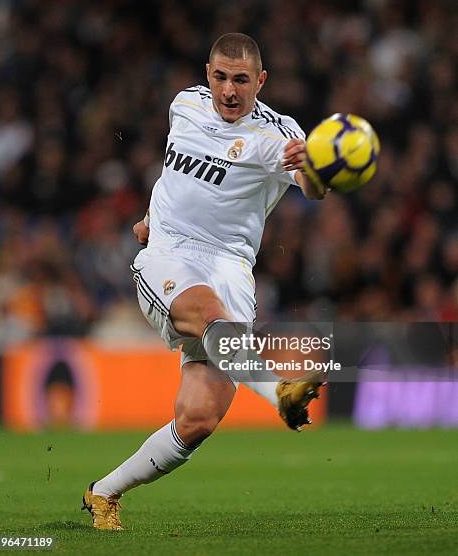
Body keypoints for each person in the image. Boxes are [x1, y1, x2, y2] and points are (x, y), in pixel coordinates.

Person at [82, 33, 327, 530]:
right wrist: (152, 220)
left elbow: (310, 188)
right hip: (170, 257)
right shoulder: (185, 105)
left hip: (230, 268)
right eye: (220, 77)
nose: (229, 91)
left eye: (241, 80)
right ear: (207, 74)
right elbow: (175, 174)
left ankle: (103, 492)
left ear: (261, 81)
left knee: (198, 418)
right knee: (207, 312)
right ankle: (279, 389)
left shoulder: (278, 135)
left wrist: (318, 169)